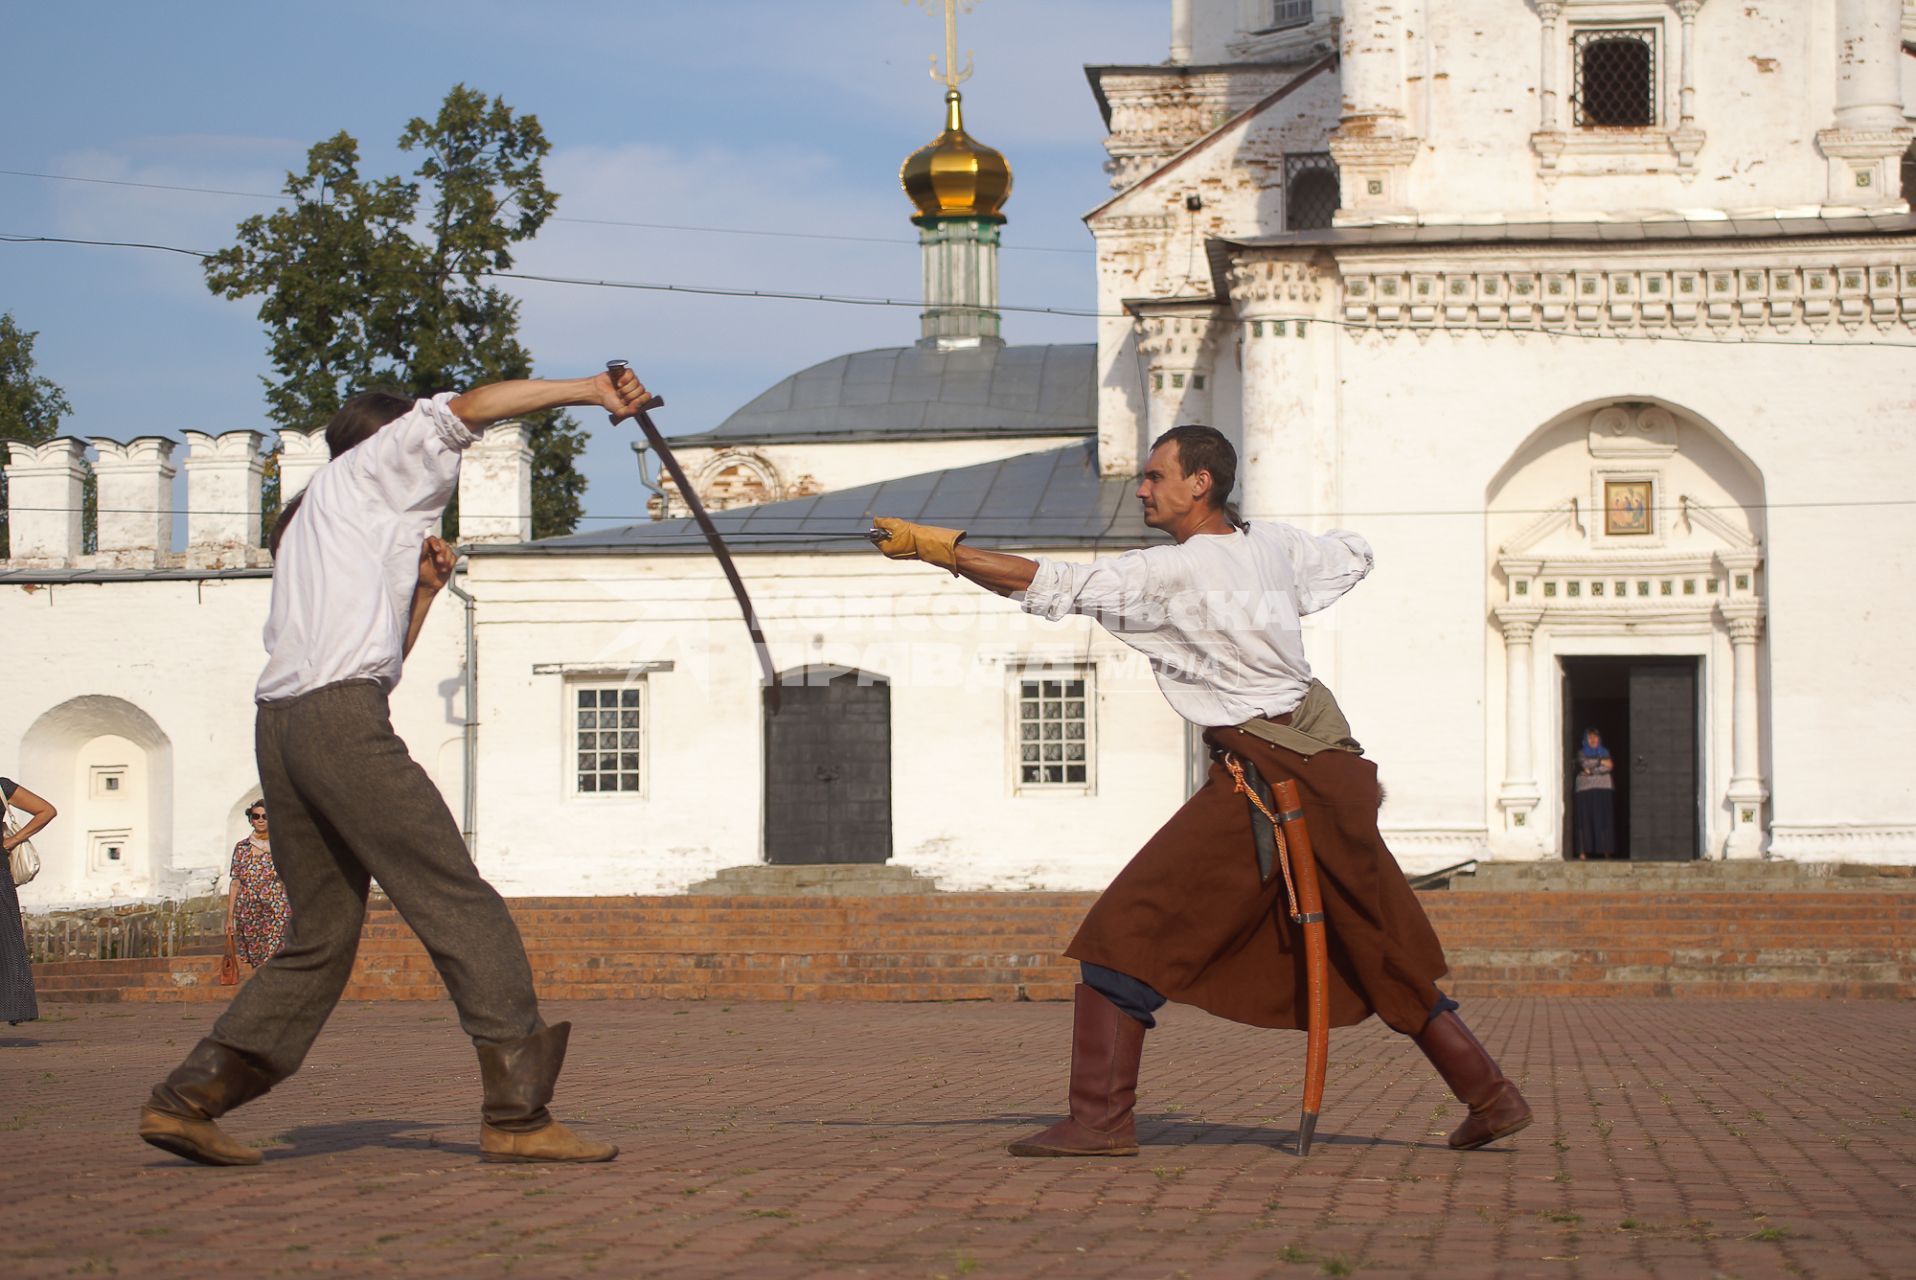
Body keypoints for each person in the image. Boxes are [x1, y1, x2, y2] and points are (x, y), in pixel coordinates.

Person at [871, 425, 1532, 1157]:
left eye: (1156, 476)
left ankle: (1098, 1121)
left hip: (1271, 775)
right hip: (1327, 768)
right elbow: (1353, 554)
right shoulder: (1273, 547)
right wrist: (1271, 576)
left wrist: (942, 551)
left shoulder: (1172, 572)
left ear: (1201, 484)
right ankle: (1492, 1095)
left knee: (1126, 933)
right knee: (1374, 943)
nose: (1142, 487)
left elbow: (1054, 583)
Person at [138, 368, 650, 1167]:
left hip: (284, 727)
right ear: (383, 442)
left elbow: (372, 664)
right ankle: (517, 1117)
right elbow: (469, 409)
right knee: (457, 900)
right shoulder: (377, 466)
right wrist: (592, 389)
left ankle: (189, 1100)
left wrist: (421, 597)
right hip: (339, 726)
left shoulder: (315, 518)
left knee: (322, 934)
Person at [1, 777, 56, 1026]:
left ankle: (11, 1008)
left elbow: (46, 810)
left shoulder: (2, 786)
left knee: (5, 943)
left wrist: (13, 841)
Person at [226, 800, 289, 968]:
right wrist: (229, 918)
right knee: (257, 956)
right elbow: (235, 883)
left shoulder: (280, 846)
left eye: (265, 816)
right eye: (256, 816)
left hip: (276, 909)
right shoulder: (242, 848)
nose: (260, 820)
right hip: (249, 911)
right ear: (251, 820)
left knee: (275, 952)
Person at [1574, 728, 1616, 860]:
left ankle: (1606, 850)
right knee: (1585, 819)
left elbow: (1609, 766)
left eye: (1595, 737)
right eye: (1589, 737)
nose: (1593, 740)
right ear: (1585, 740)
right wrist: (1600, 762)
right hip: (1585, 789)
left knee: (1603, 818)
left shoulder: (1605, 752)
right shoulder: (1581, 753)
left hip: (1603, 788)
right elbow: (1584, 763)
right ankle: (1583, 851)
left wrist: (1591, 770)